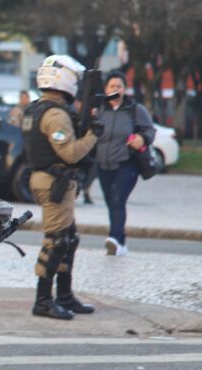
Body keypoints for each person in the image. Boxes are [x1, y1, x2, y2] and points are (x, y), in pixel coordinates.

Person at [23, 55, 101, 320]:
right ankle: (43, 300)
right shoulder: (55, 114)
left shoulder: (40, 108)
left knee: (69, 239)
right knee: (56, 241)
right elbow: (70, 153)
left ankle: (65, 296)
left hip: (53, 181)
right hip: (53, 183)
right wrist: (93, 135)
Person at [94, 71, 156, 256]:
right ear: (106, 89)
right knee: (111, 202)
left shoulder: (135, 109)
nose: (116, 89)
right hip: (103, 164)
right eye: (112, 86)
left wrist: (142, 138)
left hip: (126, 163)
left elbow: (150, 131)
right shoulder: (99, 110)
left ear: (124, 89)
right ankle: (120, 243)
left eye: (119, 86)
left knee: (117, 200)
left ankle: (114, 238)